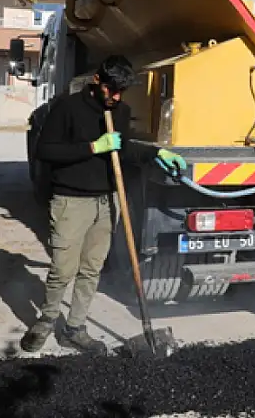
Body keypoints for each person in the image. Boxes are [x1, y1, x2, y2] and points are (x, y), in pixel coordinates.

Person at [20, 55, 187, 353]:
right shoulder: (67, 108)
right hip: (71, 201)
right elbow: (45, 150)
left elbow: (120, 150)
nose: (117, 96)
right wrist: (93, 147)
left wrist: (156, 154)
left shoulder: (120, 111)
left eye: (122, 90)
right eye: (113, 89)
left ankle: (75, 328)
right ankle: (46, 321)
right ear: (97, 81)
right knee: (62, 269)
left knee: (91, 268)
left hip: (107, 201)